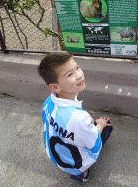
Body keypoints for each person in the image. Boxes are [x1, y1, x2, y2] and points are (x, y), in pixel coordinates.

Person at [37, 52, 113, 182]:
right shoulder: (79, 119)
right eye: (70, 74)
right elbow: (94, 145)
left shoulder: (48, 102)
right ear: (55, 87)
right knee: (106, 127)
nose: (79, 75)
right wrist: (99, 125)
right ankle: (82, 172)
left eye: (77, 68)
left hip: (55, 157)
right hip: (76, 164)